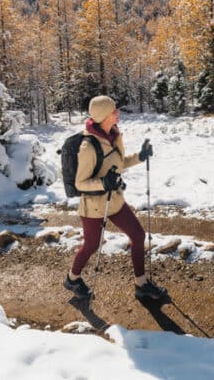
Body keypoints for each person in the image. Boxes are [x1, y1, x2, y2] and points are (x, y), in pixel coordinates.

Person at [64, 95, 167, 300]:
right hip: (93, 206)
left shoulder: (113, 135)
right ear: (103, 116)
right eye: (114, 111)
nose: (117, 113)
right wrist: (103, 183)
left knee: (138, 236)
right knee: (92, 246)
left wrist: (140, 156)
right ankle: (72, 278)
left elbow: (117, 164)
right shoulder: (88, 147)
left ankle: (141, 284)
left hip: (115, 200)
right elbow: (80, 183)